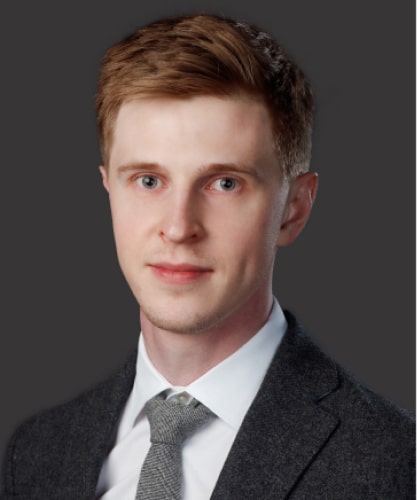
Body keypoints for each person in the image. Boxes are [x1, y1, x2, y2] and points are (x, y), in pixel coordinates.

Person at [1, 13, 414, 500]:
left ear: (294, 209)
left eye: (225, 183)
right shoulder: (36, 455)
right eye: (148, 181)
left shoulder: (394, 466)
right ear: (109, 188)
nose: (179, 228)